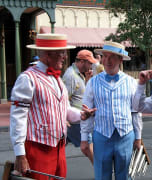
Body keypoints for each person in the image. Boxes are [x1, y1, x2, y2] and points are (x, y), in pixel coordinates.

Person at [10, 33, 81, 179]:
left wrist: (83, 115)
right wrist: (20, 154)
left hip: (59, 148)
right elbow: (18, 118)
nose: (65, 56)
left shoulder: (58, 80)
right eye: (62, 52)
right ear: (49, 54)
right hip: (37, 149)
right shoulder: (28, 78)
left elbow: (65, 110)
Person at [80, 41, 143, 180]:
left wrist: (138, 137)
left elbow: (135, 112)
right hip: (102, 136)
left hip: (125, 136)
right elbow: (86, 112)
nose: (107, 60)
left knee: (125, 176)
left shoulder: (131, 82)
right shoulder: (93, 82)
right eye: (105, 56)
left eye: (112, 57)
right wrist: (84, 138)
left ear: (120, 59)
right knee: (102, 176)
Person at [62, 49, 97, 164]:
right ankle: (102, 174)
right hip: (76, 121)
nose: (91, 65)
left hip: (79, 118)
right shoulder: (71, 76)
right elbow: (64, 98)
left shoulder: (78, 74)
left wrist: (87, 80)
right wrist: (64, 118)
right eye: (89, 62)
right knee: (88, 146)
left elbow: (81, 94)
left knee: (59, 145)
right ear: (82, 62)